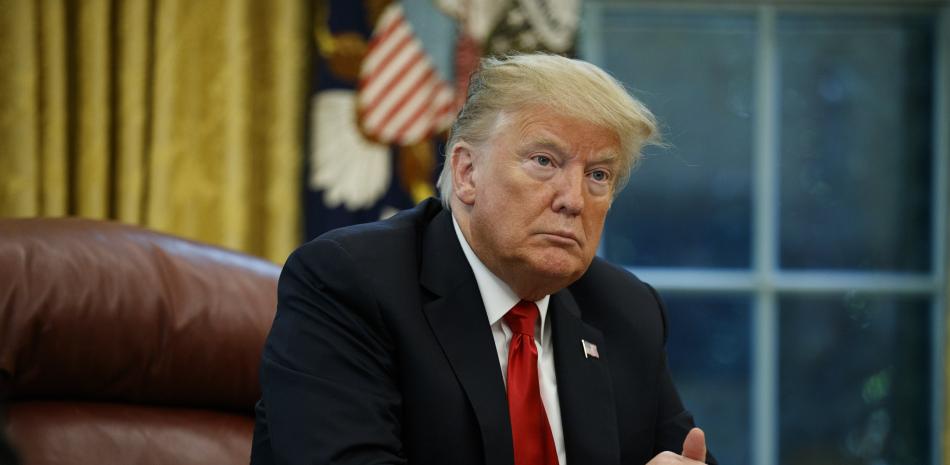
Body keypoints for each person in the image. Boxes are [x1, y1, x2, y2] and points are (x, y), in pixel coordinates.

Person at [251, 53, 715, 465]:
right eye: (544, 161)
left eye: (598, 175)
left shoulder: (625, 311)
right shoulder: (349, 283)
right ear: (467, 172)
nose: (573, 199)